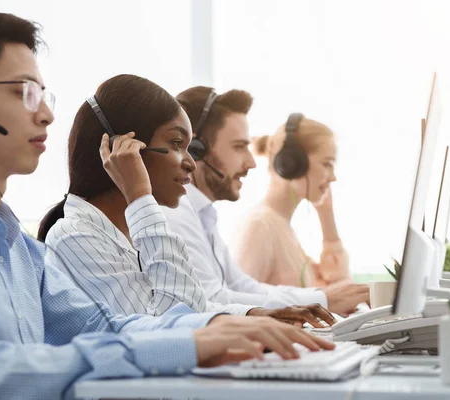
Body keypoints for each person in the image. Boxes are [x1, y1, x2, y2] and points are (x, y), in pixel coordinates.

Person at [0, 12, 333, 400]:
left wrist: (220, 328)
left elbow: (102, 324)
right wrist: (188, 343)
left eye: (44, 94)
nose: (46, 112)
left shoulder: (17, 247)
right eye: (25, 91)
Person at [39, 74, 336, 326]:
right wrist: (141, 198)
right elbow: (173, 327)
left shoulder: (127, 234)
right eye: (176, 144)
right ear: (125, 150)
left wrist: (258, 313)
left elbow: (194, 307)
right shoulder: (76, 236)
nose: (191, 163)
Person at [162, 86, 369, 316]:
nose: (251, 162)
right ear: (196, 150)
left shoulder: (203, 216)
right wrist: (322, 300)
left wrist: (323, 299)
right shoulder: (177, 214)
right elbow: (210, 300)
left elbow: (243, 286)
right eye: (239, 147)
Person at [233, 113, 352, 289]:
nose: (333, 177)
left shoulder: (282, 227)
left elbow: (340, 288)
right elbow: (238, 307)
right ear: (292, 164)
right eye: (327, 164)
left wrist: (327, 216)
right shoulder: (260, 225)